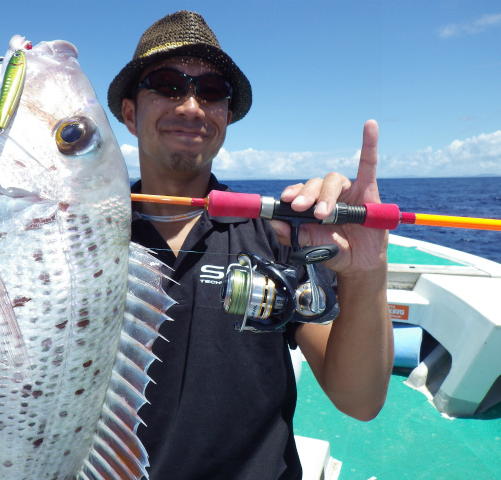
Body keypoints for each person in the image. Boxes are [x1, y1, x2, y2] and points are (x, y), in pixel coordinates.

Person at [107, 10, 394, 480]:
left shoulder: (278, 233)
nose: (192, 106)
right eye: (168, 84)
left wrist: (365, 274)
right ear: (130, 113)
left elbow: (359, 400)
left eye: (212, 91)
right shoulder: (76, 244)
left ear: (225, 116)